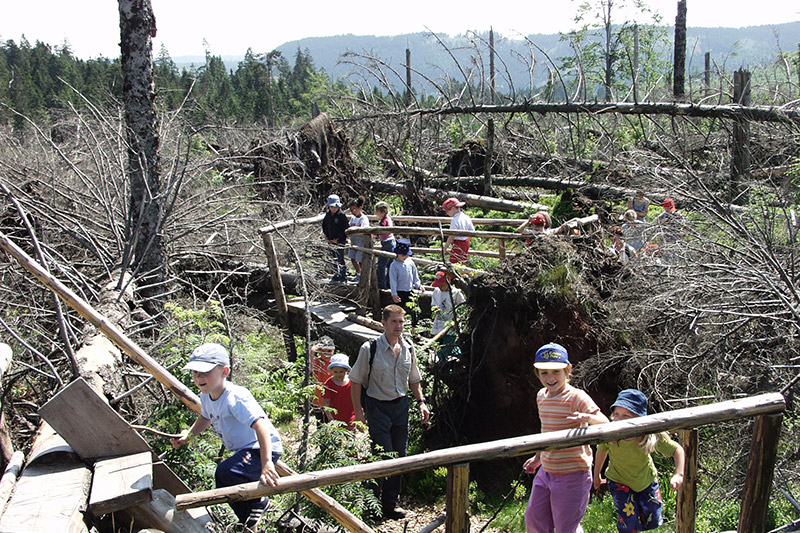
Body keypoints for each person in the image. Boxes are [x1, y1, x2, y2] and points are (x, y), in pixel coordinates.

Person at [170, 343, 283, 529]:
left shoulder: (235, 397)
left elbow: (261, 425)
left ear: (224, 371)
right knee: (223, 480)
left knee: (226, 471)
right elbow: (205, 417)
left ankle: (259, 502)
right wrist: (188, 437)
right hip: (245, 450)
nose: (199, 378)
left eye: (205, 372)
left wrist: (267, 462)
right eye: (195, 373)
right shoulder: (206, 395)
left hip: (261, 447)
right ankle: (249, 522)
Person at [349, 305, 431, 519]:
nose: (398, 326)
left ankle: (390, 504)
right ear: (383, 323)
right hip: (377, 407)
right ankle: (371, 504)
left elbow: (414, 379)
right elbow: (356, 380)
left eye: (401, 322)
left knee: (400, 456)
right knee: (383, 454)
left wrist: (421, 402)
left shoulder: (408, 347)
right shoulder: (370, 348)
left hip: (401, 406)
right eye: (394, 322)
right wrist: (358, 411)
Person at [523, 342, 609, 533]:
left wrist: (587, 418)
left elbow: (605, 422)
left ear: (567, 370)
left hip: (573, 473)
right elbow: (546, 431)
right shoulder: (541, 396)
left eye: (556, 371)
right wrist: (538, 458)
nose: (550, 377)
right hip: (547, 470)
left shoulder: (576, 397)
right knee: (534, 518)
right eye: (544, 373)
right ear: (537, 373)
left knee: (565, 526)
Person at [593, 389, 685, 532]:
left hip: (646, 480)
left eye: (625, 416)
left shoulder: (647, 435)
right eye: (616, 414)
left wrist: (679, 474)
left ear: (638, 419)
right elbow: (601, 451)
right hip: (619, 480)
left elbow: (677, 450)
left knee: (653, 519)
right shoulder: (611, 435)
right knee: (629, 521)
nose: (618, 419)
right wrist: (597, 475)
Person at [430, 270, 465, 362]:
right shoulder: (436, 291)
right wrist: (436, 309)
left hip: (451, 325)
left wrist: (457, 319)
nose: (440, 287)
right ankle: (443, 364)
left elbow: (463, 307)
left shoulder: (456, 293)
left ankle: (448, 366)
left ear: (448, 282)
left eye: (442, 285)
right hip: (439, 323)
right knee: (438, 346)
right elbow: (433, 304)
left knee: (447, 347)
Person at [389, 240, 421, 332]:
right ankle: (398, 328)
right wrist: (394, 293)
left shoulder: (410, 262)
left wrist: (418, 284)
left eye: (406, 255)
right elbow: (393, 280)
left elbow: (415, 275)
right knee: (398, 312)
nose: (405, 257)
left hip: (410, 290)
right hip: (400, 291)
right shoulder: (394, 265)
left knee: (415, 310)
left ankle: (414, 328)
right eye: (403, 255)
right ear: (397, 254)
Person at [322, 353, 356, 430]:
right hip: (336, 419)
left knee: (350, 438)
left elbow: (358, 399)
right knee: (338, 440)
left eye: (341, 372)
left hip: (351, 417)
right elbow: (326, 404)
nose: (338, 374)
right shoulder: (328, 384)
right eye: (335, 372)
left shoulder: (352, 381)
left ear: (346, 370)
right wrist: (331, 420)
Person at [322, 194, 348, 283]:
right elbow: (324, 225)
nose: (333, 208)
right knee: (333, 259)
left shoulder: (341, 215)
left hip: (339, 240)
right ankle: (336, 275)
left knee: (340, 258)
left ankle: (343, 276)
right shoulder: (328, 214)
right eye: (332, 206)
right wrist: (325, 235)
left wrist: (338, 238)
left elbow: (345, 229)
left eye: (335, 207)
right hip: (330, 240)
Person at [442, 197, 474, 264]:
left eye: (447, 211)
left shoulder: (455, 220)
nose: (447, 213)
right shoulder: (466, 217)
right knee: (462, 262)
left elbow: (452, 235)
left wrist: (445, 247)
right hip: (466, 243)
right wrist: (467, 240)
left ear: (453, 209)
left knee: (454, 262)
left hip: (458, 243)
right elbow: (472, 230)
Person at [347, 196, 370, 283]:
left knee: (360, 260)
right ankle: (358, 273)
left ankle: (363, 275)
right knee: (352, 258)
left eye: (354, 210)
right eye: (351, 210)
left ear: (360, 208)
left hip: (361, 242)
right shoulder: (353, 218)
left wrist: (354, 229)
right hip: (353, 241)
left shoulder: (363, 219)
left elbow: (364, 229)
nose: (353, 212)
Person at [375, 201, 396, 290]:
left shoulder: (384, 221)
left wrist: (375, 233)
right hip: (390, 242)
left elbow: (382, 230)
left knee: (381, 265)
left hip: (387, 243)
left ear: (382, 212)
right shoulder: (388, 219)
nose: (376, 214)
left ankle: (381, 283)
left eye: (377, 212)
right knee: (389, 264)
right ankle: (388, 283)